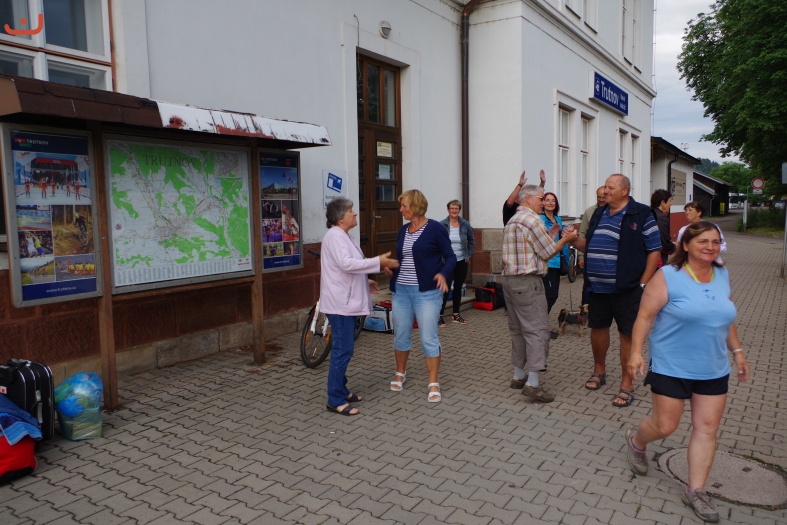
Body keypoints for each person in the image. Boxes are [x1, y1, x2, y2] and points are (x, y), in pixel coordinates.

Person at [625, 221, 750, 522]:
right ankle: (637, 442)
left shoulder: (722, 274)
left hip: (713, 367)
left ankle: (696, 491)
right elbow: (644, 317)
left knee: (707, 429)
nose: (710, 247)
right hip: (672, 365)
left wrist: (738, 352)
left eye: (715, 241)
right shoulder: (668, 276)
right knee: (665, 426)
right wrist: (635, 353)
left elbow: (723, 316)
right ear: (686, 245)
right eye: (703, 241)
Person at [569, 174, 661, 407]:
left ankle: (627, 383)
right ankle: (599, 371)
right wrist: (571, 240)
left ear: (625, 191)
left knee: (628, 334)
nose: (606, 191)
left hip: (627, 288)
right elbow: (589, 244)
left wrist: (643, 284)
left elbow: (654, 250)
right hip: (597, 286)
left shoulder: (642, 213)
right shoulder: (599, 213)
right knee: (598, 329)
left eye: (610, 188)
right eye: (605, 187)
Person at [320, 198, 399, 416]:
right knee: (342, 351)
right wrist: (378, 262)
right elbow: (346, 264)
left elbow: (348, 267)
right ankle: (334, 399)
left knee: (345, 349)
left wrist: (366, 281)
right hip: (340, 304)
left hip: (345, 302)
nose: (355, 214)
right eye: (350, 211)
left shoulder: (345, 236)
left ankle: (341, 390)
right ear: (340, 218)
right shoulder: (335, 236)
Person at [501, 184, 577, 402]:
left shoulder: (514, 220)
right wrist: (566, 239)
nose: (543, 202)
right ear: (527, 198)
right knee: (537, 331)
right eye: (541, 198)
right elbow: (548, 252)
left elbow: (531, 247)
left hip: (509, 281)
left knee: (517, 330)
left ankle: (518, 375)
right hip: (528, 282)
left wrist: (552, 235)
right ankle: (533, 384)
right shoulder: (533, 220)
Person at [385, 189, 456, 403]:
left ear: (415, 206)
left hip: (427, 292)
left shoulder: (435, 229)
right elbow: (404, 259)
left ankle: (433, 382)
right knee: (401, 334)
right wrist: (391, 267)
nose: (401, 210)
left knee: (428, 337)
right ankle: (400, 373)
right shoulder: (403, 230)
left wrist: (443, 274)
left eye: (404, 206)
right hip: (401, 291)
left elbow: (451, 257)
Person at [439, 200, 475, 326]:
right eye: (452, 208)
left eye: (456, 208)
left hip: (461, 260)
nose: (454, 210)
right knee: (445, 288)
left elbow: (472, 240)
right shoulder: (442, 225)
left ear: (459, 210)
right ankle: (439, 315)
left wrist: (469, 254)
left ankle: (456, 314)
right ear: (448, 210)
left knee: (458, 287)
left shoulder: (465, 224)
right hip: (446, 261)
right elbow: (437, 242)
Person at [539, 193, 570, 322]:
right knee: (550, 295)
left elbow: (563, 241)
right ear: (543, 203)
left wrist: (567, 260)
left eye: (553, 200)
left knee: (553, 295)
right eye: (547, 200)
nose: (550, 203)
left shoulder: (558, 219)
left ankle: (541, 323)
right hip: (548, 262)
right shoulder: (540, 219)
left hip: (557, 261)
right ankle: (540, 324)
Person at [578, 186, 606, 305]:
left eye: (603, 197)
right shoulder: (589, 212)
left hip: (606, 257)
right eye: (599, 197)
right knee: (588, 286)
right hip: (590, 256)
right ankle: (585, 310)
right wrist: (581, 256)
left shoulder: (613, 211)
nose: (601, 200)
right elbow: (582, 232)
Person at [650, 189, 676, 267]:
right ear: (662, 203)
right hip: (657, 259)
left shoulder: (649, 213)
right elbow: (664, 243)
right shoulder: (661, 218)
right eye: (670, 201)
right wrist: (675, 247)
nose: (671, 204)